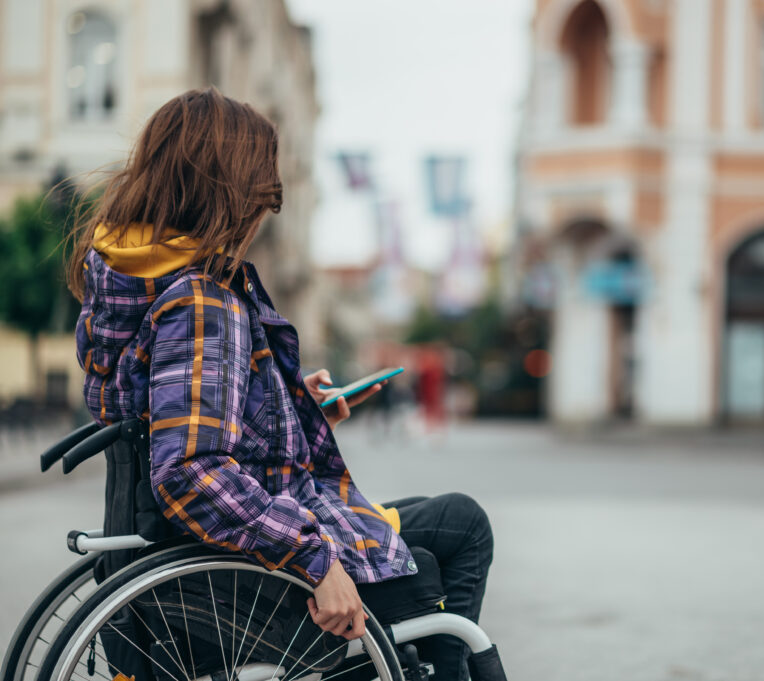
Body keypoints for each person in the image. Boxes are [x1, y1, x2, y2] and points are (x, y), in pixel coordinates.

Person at [67, 88, 492, 680]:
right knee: (449, 540)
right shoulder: (200, 302)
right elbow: (190, 470)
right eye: (261, 192)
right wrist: (316, 559)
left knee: (447, 527)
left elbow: (177, 415)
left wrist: (297, 409)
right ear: (230, 191)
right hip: (225, 575)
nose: (263, 214)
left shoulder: (126, 281)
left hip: (180, 549)